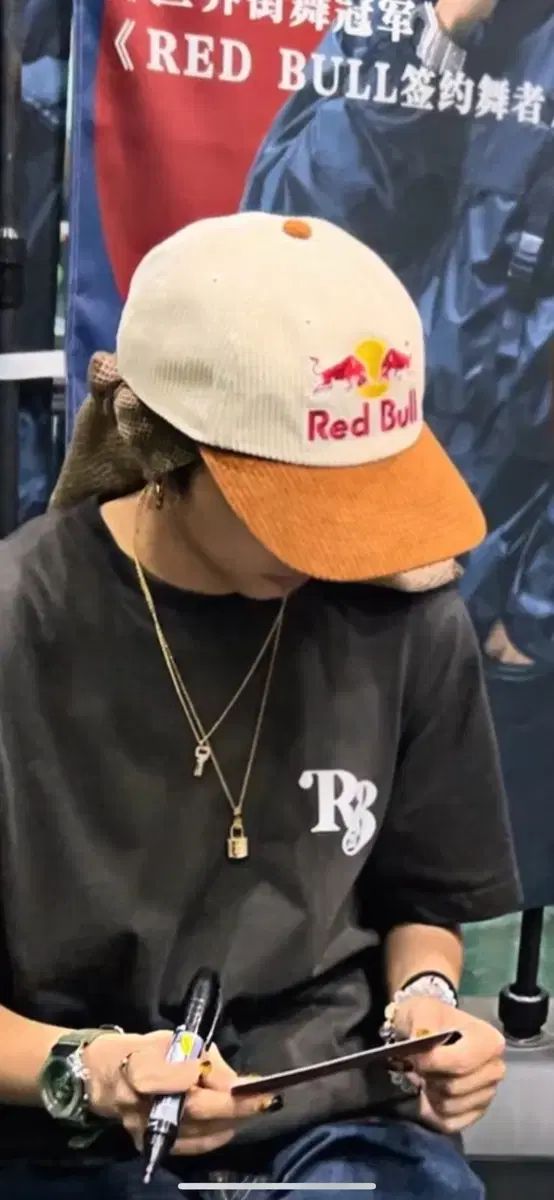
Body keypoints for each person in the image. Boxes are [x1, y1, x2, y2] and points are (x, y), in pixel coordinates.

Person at [0, 212, 521, 1199]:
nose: (338, 548)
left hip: (336, 1117)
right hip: (68, 1136)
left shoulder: (403, 616)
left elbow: (422, 897)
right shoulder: (21, 628)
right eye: (299, 510)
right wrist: (91, 1070)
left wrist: (424, 1001)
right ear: (161, 448)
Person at [241, 0, 554, 908]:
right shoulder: (395, 27)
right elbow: (281, 228)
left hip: (502, 553)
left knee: (450, 891)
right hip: (331, 516)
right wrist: (435, 40)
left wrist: (534, 617)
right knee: (280, 846)